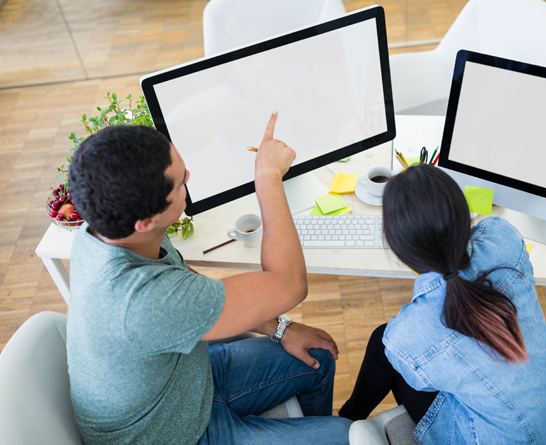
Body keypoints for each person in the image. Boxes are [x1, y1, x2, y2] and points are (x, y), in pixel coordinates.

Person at [66, 112, 352, 445]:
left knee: (318, 358)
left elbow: (182, 280)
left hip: (186, 384)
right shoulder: (142, 301)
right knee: (345, 436)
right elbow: (290, 285)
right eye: (180, 181)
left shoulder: (107, 229)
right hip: (170, 435)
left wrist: (281, 328)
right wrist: (268, 175)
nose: (190, 175)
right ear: (146, 220)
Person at [339, 164, 546, 445]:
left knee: (383, 345)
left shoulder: (406, 336)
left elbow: (420, 381)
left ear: (397, 248)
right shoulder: (505, 239)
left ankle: (344, 424)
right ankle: (345, 420)